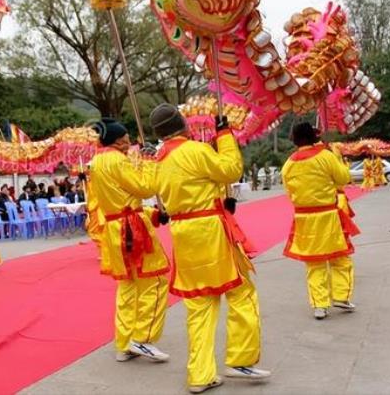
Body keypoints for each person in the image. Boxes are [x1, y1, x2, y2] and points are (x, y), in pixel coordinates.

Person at [149, 103, 270, 392]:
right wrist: (225, 135)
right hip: (210, 232)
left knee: (200, 304)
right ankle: (240, 357)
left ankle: (200, 374)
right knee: (242, 292)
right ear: (183, 124)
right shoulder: (195, 151)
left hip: (184, 234)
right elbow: (230, 170)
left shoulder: (159, 160)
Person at [89, 118, 171, 365]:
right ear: (116, 140)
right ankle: (143, 338)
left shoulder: (97, 162)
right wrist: (149, 163)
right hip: (131, 229)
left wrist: (152, 214)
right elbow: (145, 188)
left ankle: (124, 344)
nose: (128, 143)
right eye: (125, 138)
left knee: (127, 288)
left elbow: (122, 199)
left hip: (115, 228)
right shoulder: (117, 159)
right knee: (154, 281)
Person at [281, 122, 361, 320]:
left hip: (304, 219)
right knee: (339, 257)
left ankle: (320, 305)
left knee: (314, 262)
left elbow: (289, 193)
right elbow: (343, 178)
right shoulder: (326, 156)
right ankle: (341, 295)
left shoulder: (288, 164)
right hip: (328, 216)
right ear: (314, 136)